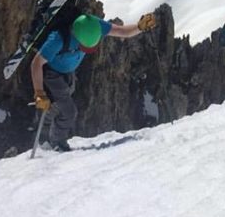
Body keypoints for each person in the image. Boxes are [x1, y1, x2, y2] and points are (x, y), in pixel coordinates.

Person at [30, 9, 158, 151]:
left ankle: (44, 123)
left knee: (60, 104)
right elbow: (36, 63)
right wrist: (39, 93)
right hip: (51, 74)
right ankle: (56, 143)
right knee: (69, 111)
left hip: (68, 73)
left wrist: (140, 27)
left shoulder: (94, 26)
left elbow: (122, 32)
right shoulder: (57, 39)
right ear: (75, 35)